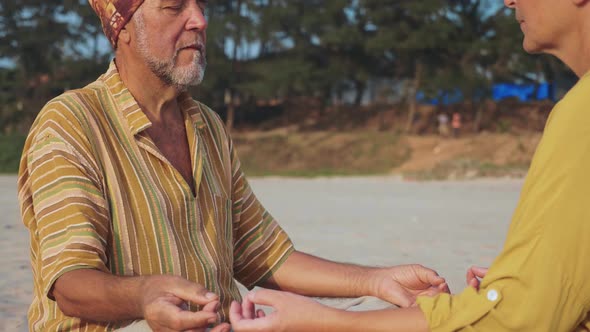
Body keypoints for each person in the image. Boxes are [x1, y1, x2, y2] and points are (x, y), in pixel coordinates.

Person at [17, 0, 450, 331]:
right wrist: (143, 296)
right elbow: (70, 282)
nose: (199, 21)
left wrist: (375, 281)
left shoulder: (207, 126)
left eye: (201, 5)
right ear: (122, 26)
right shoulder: (70, 122)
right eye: (174, 6)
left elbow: (263, 254)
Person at [229, 0, 590, 330]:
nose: (509, 0)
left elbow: (522, 317)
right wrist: (529, 270)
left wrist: (329, 323)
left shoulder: (580, 116)